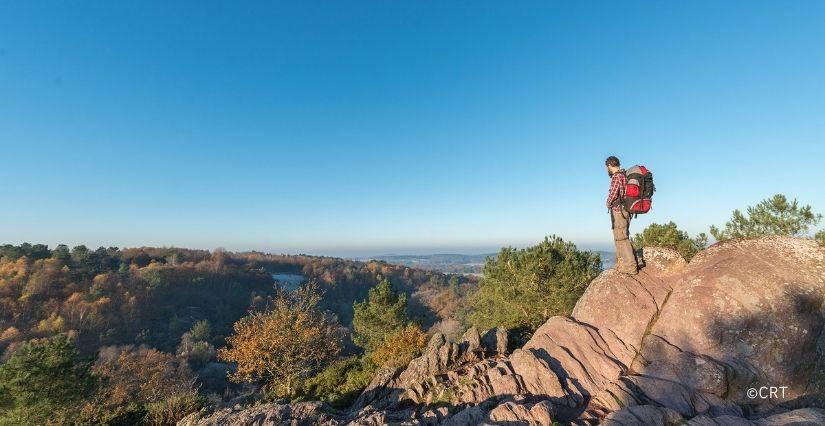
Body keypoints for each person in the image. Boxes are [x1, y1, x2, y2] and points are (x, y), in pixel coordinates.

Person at [605, 156, 641, 275]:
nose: (607, 170)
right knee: (623, 235)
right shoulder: (624, 175)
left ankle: (631, 267)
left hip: (619, 210)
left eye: (607, 167)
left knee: (622, 238)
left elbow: (614, 193)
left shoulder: (617, 176)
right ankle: (625, 263)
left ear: (610, 165)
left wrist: (608, 202)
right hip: (627, 209)